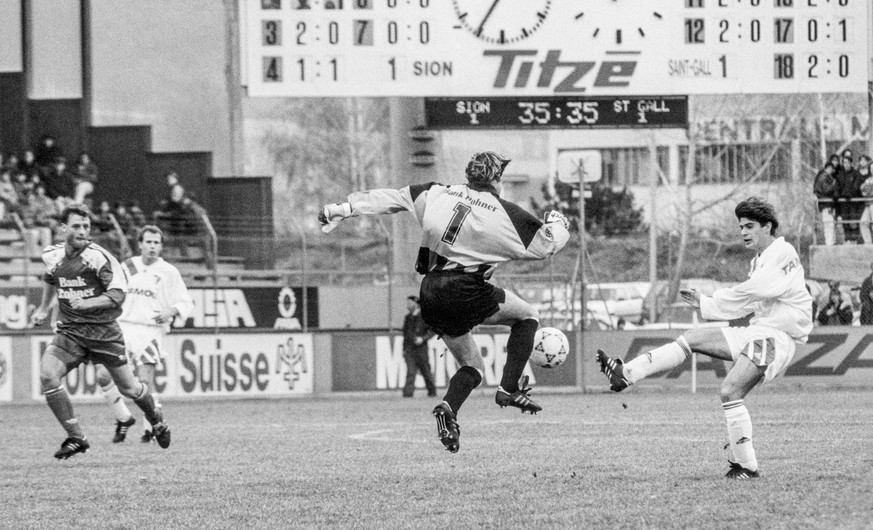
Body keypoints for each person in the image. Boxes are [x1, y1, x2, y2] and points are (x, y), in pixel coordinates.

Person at [319, 151, 570, 453]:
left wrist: (342, 208)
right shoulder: (506, 214)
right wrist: (558, 223)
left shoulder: (436, 193)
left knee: (472, 365)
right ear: (495, 179)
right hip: (466, 289)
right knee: (527, 316)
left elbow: (392, 198)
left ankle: (448, 409)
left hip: (431, 292)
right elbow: (547, 244)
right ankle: (509, 388)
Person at [596, 197, 812, 479]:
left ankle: (747, 466)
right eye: (741, 227)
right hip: (760, 331)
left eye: (750, 226)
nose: (744, 232)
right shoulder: (760, 260)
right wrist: (708, 304)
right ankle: (627, 373)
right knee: (692, 338)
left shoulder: (782, 253)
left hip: (776, 338)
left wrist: (709, 302)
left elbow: (753, 292)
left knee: (730, 392)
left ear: (768, 226)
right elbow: (750, 300)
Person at [30, 204, 171, 459]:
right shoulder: (52, 254)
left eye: (86, 227)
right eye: (76, 226)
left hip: (103, 333)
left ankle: (156, 418)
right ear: (63, 229)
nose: (83, 231)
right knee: (48, 375)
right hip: (70, 332)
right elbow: (51, 279)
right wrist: (42, 308)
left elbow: (118, 294)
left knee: (129, 388)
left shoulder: (99, 257)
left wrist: (88, 303)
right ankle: (77, 437)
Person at [94, 225, 193, 443]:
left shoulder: (168, 271)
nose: (152, 246)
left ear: (161, 246)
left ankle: (151, 427)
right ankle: (123, 417)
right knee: (102, 375)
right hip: (122, 327)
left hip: (150, 331)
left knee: (144, 380)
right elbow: (112, 293)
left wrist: (171, 310)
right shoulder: (127, 266)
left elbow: (185, 302)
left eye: (157, 243)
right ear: (140, 244)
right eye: (148, 242)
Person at [401, 295, 437, 398]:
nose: (408, 306)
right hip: (410, 349)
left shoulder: (424, 317)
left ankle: (432, 391)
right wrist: (404, 349)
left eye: (410, 303)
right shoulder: (408, 318)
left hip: (421, 349)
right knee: (410, 372)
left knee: (426, 371)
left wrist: (423, 339)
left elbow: (433, 330)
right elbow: (405, 334)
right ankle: (408, 394)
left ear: (416, 304)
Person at [834, 150, 861, 243]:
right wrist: (837, 194)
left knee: (853, 220)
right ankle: (847, 239)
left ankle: (855, 239)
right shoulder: (840, 174)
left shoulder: (855, 173)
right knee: (845, 221)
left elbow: (856, 186)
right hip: (843, 202)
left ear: (851, 163)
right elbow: (837, 186)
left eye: (848, 163)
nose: (846, 165)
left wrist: (849, 193)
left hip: (853, 202)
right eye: (844, 163)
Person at [813, 162, 838, 246]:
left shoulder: (823, 176)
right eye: (832, 169)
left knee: (830, 224)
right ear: (829, 168)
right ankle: (830, 243)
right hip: (826, 204)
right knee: (829, 225)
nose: (833, 171)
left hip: (827, 204)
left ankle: (830, 242)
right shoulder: (824, 177)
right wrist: (834, 184)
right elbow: (826, 190)